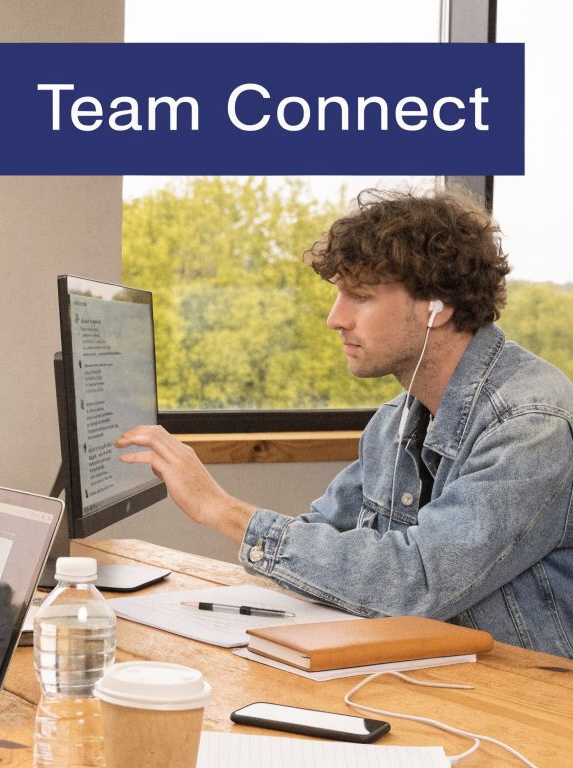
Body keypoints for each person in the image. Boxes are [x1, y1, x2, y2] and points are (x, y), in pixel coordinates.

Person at [115, 189, 573, 658]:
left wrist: (221, 510)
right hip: (440, 674)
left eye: (360, 297)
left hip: (532, 703)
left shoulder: (531, 425)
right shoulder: (395, 421)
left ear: (439, 306)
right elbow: (323, 538)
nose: (335, 318)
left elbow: (418, 582)